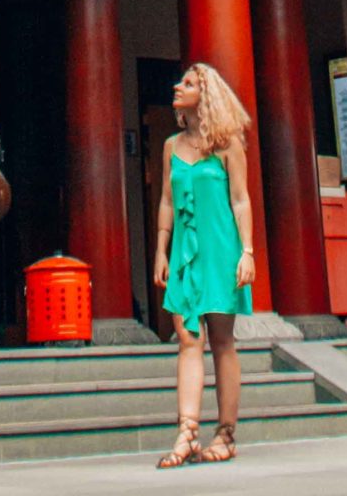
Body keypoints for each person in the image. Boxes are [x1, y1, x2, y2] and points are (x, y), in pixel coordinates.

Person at [152, 62, 255, 468]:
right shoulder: (169, 146)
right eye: (181, 82)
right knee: (187, 338)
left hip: (222, 250)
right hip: (184, 253)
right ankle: (187, 432)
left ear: (205, 94)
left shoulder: (228, 143)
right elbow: (165, 201)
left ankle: (226, 433)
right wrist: (161, 250)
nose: (179, 87)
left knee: (222, 340)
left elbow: (241, 201)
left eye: (188, 83)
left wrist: (247, 252)